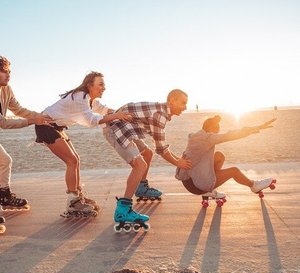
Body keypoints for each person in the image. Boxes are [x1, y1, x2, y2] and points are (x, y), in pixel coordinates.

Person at [35, 71, 132, 217]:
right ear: (89, 85)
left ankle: (77, 197)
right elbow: (91, 121)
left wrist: (127, 114)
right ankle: (72, 203)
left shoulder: (91, 100)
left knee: (76, 160)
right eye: (100, 84)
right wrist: (117, 116)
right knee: (71, 161)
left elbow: (106, 110)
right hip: (45, 126)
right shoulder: (81, 97)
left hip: (55, 127)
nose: (104, 87)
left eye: (104, 84)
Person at [104, 89, 192, 231]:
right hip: (116, 129)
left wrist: (178, 159)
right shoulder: (160, 115)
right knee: (140, 165)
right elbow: (161, 149)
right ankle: (123, 209)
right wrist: (178, 162)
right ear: (172, 101)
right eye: (183, 103)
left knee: (147, 154)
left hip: (127, 128)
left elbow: (158, 146)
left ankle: (141, 187)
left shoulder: (161, 111)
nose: (185, 107)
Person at [176, 115, 276, 200]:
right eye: (216, 132)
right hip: (195, 185)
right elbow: (229, 136)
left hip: (188, 180)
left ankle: (209, 190)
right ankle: (254, 185)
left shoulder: (195, 135)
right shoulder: (208, 138)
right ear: (212, 129)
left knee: (219, 156)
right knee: (234, 171)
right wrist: (257, 127)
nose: (216, 134)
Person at [0, 56, 52, 211]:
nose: (8, 75)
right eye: (3, 71)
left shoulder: (6, 89)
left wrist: (40, 116)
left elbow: (19, 110)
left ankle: (4, 196)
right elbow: (3, 123)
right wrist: (33, 121)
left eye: (9, 71)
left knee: (5, 161)